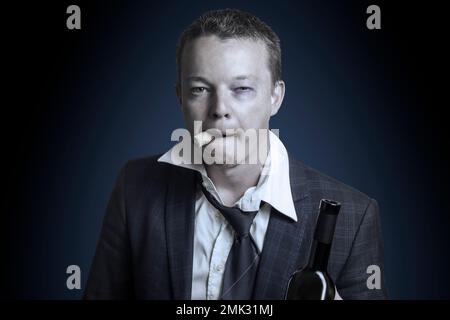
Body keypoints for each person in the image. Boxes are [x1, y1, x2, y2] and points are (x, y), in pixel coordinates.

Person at [84, 9, 387, 300]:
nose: (219, 109)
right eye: (200, 89)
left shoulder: (353, 216)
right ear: (180, 98)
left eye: (241, 88)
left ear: (275, 97)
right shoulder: (134, 188)